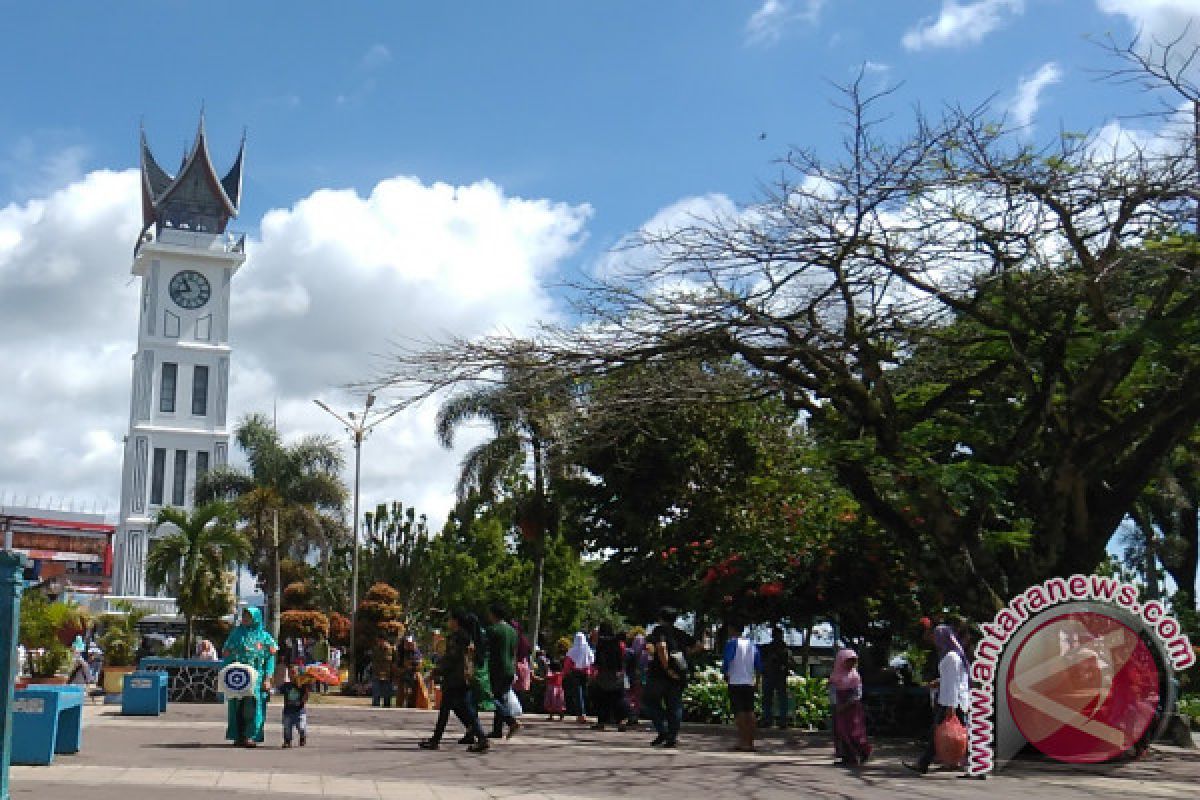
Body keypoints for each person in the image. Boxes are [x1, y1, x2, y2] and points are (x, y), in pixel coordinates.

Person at [419, 610, 489, 753]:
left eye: (450, 619)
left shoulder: (458, 638)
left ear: (456, 621)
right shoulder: (467, 637)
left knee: (457, 710)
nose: (448, 622)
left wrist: (434, 671)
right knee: (454, 709)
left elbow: (450, 659)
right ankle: (437, 739)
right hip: (463, 678)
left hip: (455, 678)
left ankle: (481, 738)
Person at [906, 624, 970, 774]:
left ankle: (924, 763)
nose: (934, 640)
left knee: (944, 732)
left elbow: (953, 683)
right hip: (954, 700)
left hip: (951, 701)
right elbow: (954, 679)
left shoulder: (951, 657)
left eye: (936, 636)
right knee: (951, 732)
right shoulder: (955, 655)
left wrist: (951, 707)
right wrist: (939, 681)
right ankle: (925, 763)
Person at [221, 607, 278, 748]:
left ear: (256, 618)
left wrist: (267, 678)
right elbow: (227, 654)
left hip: (257, 680)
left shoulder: (264, 637)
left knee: (253, 707)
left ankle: (251, 736)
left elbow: (270, 659)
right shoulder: (236, 634)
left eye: (249, 617)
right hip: (237, 678)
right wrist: (227, 672)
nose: (245, 619)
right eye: (244, 616)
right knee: (236, 706)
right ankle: (237, 735)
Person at [644, 608, 699, 748]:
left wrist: (667, 667)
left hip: (659, 675)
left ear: (661, 618)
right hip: (678, 675)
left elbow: (661, 647)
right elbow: (699, 645)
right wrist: (686, 654)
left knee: (650, 702)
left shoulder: (659, 630)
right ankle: (672, 736)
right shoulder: (680, 633)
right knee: (675, 706)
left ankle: (663, 729)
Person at [722, 621, 762, 752]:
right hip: (749, 681)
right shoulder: (752, 644)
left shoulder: (731, 643)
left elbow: (727, 660)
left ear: (732, 629)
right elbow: (758, 664)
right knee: (750, 711)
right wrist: (757, 680)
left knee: (739, 712)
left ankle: (742, 741)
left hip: (735, 681)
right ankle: (750, 742)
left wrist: (725, 673)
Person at [829, 648, 872, 766]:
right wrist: (836, 705)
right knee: (841, 731)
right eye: (849, 661)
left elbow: (858, 693)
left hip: (853, 709)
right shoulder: (835, 676)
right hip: (839, 708)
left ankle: (863, 752)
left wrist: (847, 704)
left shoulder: (855, 676)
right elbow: (832, 692)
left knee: (855, 732)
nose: (851, 664)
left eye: (853, 661)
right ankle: (846, 757)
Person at [591, 622, 628, 731]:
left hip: (603, 674)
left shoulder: (601, 643)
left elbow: (597, 660)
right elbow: (622, 658)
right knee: (618, 698)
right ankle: (621, 722)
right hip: (617, 673)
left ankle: (601, 722)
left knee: (602, 699)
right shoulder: (618, 642)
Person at [759, 626, 792, 728]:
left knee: (771, 699)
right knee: (776, 699)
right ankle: (778, 720)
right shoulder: (781, 648)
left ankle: (771, 720)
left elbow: (787, 662)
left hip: (773, 675)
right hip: (775, 675)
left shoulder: (781, 648)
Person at [564, 631, 594, 723]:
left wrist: (565, 673)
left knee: (578, 694)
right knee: (584, 693)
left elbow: (567, 663)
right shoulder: (588, 649)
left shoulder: (572, 650)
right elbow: (592, 661)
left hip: (575, 673)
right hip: (585, 673)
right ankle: (584, 712)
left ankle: (581, 714)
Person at [279, 665, 310, 748]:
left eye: (294, 673)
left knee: (301, 727)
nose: (292, 675)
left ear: (298, 674)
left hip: (299, 712)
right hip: (288, 711)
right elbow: (277, 690)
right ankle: (287, 741)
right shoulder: (286, 685)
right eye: (290, 673)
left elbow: (305, 699)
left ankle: (302, 737)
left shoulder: (303, 685)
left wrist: (306, 691)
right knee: (287, 728)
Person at [624, 633, 648, 728]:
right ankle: (634, 717)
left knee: (629, 698)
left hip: (629, 678)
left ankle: (629, 716)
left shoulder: (628, 652)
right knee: (637, 699)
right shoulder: (645, 654)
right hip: (640, 679)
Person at [371, 635, 397, 708]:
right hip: (377, 673)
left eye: (381, 641)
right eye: (378, 641)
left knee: (387, 694)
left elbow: (394, 662)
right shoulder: (376, 649)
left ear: (385, 640)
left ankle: (387, 706)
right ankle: (375, 706)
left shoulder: (392, 649)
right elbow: (374, 660)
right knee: (376, 693)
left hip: (388, 674)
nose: (379, 642)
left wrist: (394, 673)